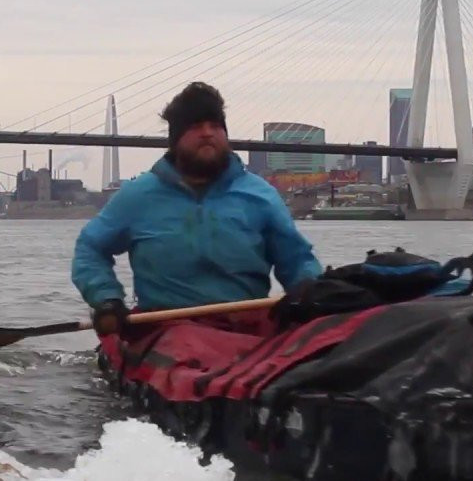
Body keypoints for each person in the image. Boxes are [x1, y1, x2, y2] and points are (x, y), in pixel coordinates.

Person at [71, 82, 323, 334]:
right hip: (165, 330)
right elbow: (90, 248)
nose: (207, 133)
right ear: (175, 139)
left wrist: (307, 286)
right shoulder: (137, 196)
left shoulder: (261, 195)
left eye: (215, 126)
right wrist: (107, 299)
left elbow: (297, 258)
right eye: (195, 126)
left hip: (246, 331)